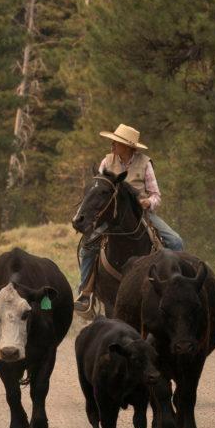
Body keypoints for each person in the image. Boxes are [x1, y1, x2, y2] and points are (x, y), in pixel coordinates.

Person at [74, 124, 184, 313]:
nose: (113, 145)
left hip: (140, 213)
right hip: (111, 215)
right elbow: (99, 188)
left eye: (117, 142)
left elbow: (156, 195)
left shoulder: (145, 163)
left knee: (175, 242)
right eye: (114, 141)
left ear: (128, 146)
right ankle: (86, 291)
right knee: (87, 246)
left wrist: (148, 203)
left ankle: (177, 290)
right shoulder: (107, 162)